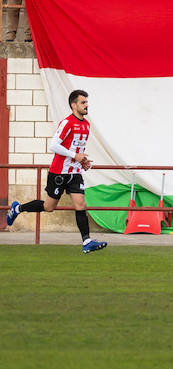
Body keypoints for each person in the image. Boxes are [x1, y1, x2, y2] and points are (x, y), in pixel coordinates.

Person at [5, 90, 108, 253]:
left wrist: (83, 162)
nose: (86, 105)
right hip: (59, 172)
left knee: (81, 204)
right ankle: (18, 208)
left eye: (87, 102)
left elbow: (77, 150)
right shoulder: (67, 122)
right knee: (48, 207)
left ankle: (86, 242)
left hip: (74, 173)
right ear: (74, 105)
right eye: (83, 102)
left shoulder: (86, 125)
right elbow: (53, 145)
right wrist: (75, 155)